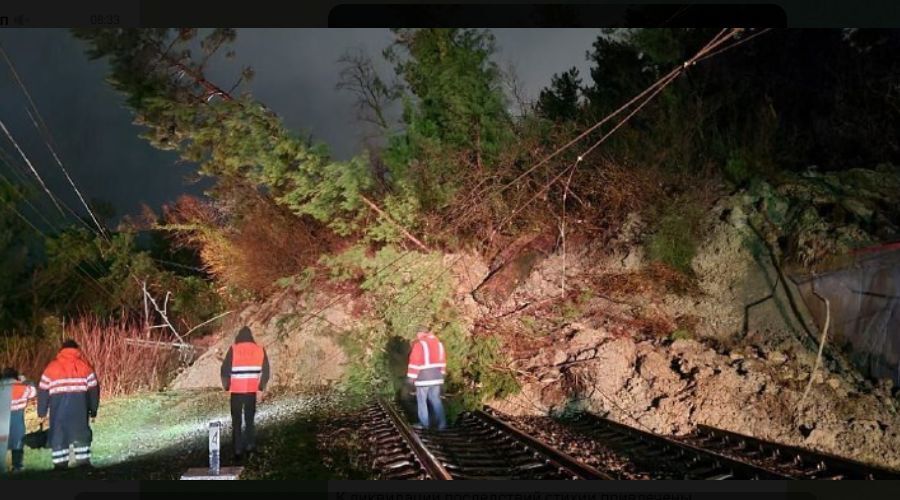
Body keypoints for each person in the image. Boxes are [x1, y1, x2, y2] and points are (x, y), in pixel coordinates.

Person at [37, 339, 100, 469]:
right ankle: (83, 462)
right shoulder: (85, 366)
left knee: (59, 434)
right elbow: (94, 389)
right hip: (80, 409)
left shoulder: (51, 367)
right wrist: (93, 410)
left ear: (61, 350)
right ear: (77, 350)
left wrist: (41, 412)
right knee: (81, 432)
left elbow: (42, 390)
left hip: (58, 410)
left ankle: (60, 464)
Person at [220, 326, 270, 462]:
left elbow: (224, 370)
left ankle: (237, 450)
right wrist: (261, 386)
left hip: (236, 391)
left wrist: (226, 386)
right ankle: (250, 446)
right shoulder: (260, 349)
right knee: (249, 420)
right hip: (251, 392)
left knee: (236, 421)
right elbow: (266, 371)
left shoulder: (233, 349)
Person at [406, 325, 447, 430]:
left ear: (420, 333)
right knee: (436, 399)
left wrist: (411, 378)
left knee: (422, 400)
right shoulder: (439, 344)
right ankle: (442, 424)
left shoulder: (419, 344)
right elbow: (442, 361)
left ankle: (424, 424)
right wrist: (441, 374)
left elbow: (414, 362)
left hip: (423, 378)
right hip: (437, 377)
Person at [4, 367, 36, 472]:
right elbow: (33, 392)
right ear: (16, 376)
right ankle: (17, 466)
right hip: (17, 420)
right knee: (17, 442)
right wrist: (25, 381)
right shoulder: (22, 387)